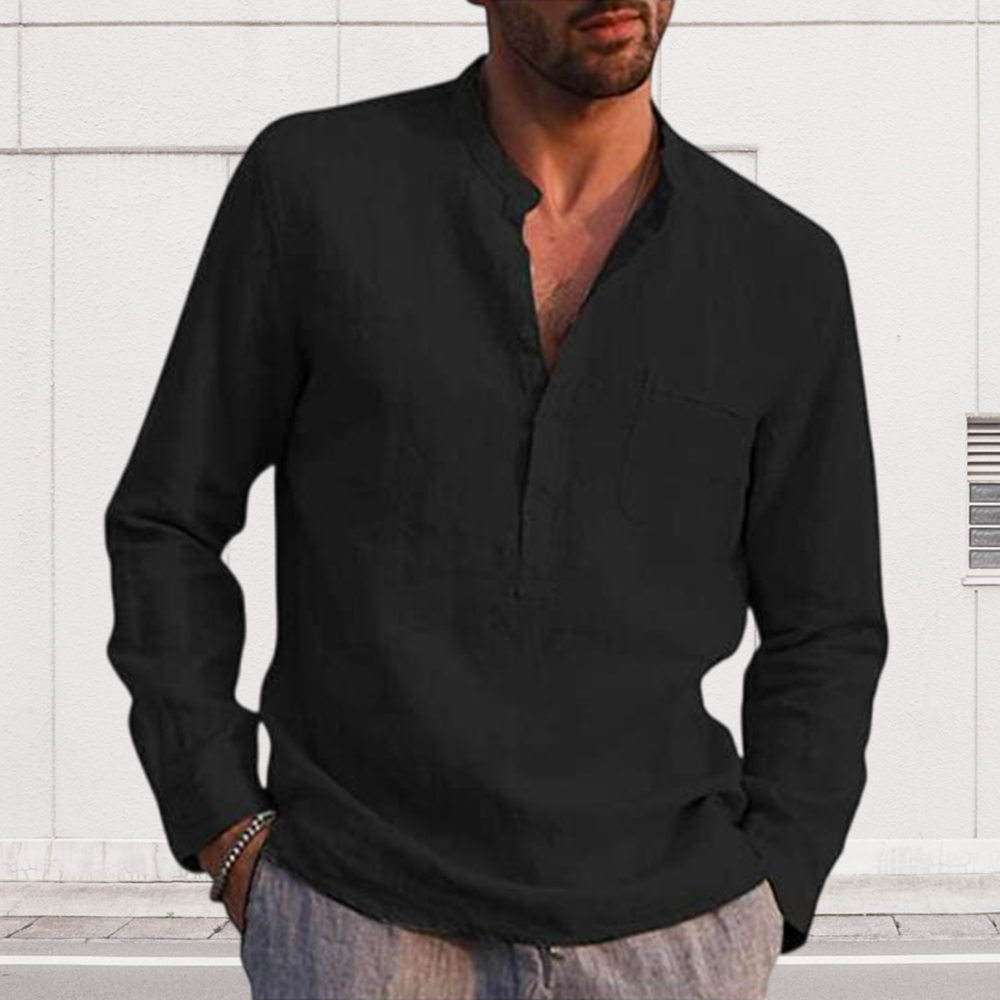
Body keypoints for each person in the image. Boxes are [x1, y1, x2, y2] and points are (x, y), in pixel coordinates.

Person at [103, 1, 889, 997]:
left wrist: (773, 878)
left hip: (676, 939)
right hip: (360, 923)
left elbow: (828, 623)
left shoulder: (780, 270)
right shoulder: (316, 190)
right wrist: (223, 822)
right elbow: (167, 520)